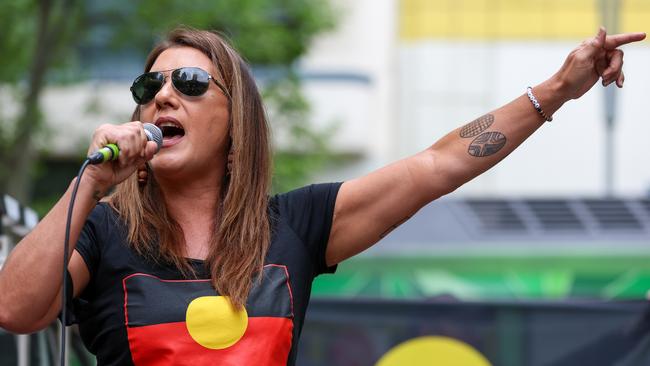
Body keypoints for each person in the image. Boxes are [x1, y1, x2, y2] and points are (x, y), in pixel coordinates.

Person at [0, 26, 645, 365]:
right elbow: (16, 309)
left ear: (237, 122)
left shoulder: (296, 226)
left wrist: (558, 88)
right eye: (150, 85)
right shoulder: (104, 231)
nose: (164, 95)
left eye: (192, 82)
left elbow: (439, 163)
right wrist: (89, 181)